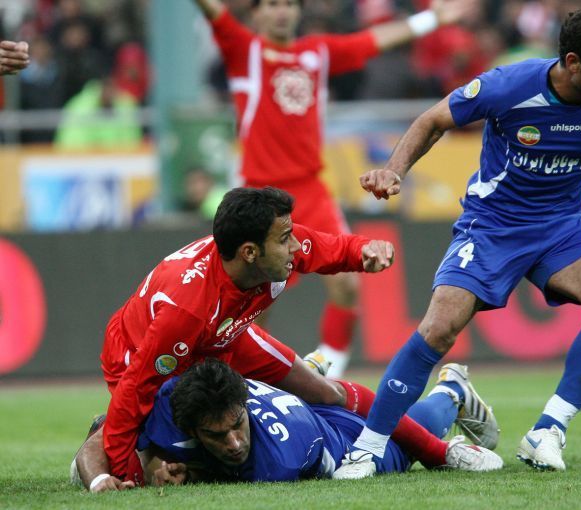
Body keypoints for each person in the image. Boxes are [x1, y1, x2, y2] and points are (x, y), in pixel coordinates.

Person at [333, 1, 581, 478]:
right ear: (572, 63)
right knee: (440, 327)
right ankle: (368, 448)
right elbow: (433, 120)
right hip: (493, 226)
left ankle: (549, 430)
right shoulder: (509, 86)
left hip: (562, 226)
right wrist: (394, 170)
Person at [192, 0, 477, 377]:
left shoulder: (317, 53)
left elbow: (370, 41)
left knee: (347, 284)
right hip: (260, 195)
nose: (282, 12)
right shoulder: (246, 50)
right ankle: (247, 378)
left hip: (310, 189)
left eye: (289, 4)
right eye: (273, 5)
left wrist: (431, 19)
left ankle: (328, 372)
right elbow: (214, 11)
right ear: (255, 13)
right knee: (254, 300)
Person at [99, 186, 396, 485]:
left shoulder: (272, 247)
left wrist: (364, 249)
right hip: (141, 353)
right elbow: (135, 388)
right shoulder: (187, 310)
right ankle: (95, 457)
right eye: (286, 238)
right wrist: (125, 476)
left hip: (224, 334)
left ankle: (426, 446)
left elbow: (327, 248)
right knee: (171, 443)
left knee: (326, 392)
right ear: (250, 253)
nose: (296, 245)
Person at [72, 359, 503, 490]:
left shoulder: (278, 462)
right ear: (190, 427)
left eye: (237, 426)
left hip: (343, 444)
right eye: (217, 435)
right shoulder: (173, 398)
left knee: (411, 436)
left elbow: (217, 475)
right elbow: (100, 436)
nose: (235, 442)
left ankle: (452, 390)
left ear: (243, 404)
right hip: (300, 405)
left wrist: (162, 467)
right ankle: (308, 367)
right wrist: (101, 480)